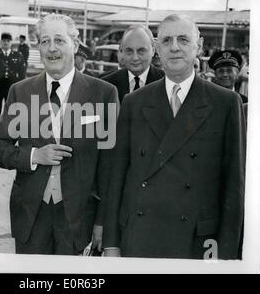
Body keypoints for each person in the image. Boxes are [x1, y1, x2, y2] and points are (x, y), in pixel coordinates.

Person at [103, 14, 246, 259]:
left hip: (198, 241)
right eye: (167, 40)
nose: (175, 47)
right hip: (139, 236)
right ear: (158, 49)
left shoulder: (225, 103)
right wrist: (111, 244)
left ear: (198, 46)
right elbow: (116, 177)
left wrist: (227, 252)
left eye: (183, 39)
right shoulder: (134, 102)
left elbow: (234, 184)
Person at [0, 14, 119, 255]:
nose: (52, 48)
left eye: (59, 40)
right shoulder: (21, 91)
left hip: (79, 217)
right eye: (45, 41)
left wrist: (102, 221)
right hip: (30, 215)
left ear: (75, 45)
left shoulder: (104, 93)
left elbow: (110, 167)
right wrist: (34, 156)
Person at [102, 25, 165, 102]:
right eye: (129, 51)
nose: (135, 58)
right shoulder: (106, 84)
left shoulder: (167, 83)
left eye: (141, 51)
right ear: (122, 51)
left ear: (153, 51)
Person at [0, 32, 26, 133]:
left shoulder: (18, 56)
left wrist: (21, 87)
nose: (6, 43)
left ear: (11, 43)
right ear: (0, 42)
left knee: (11, 109)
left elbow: (22, 72)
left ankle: (10, 131)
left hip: (11, 88)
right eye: (4, 41)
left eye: (8, 41)